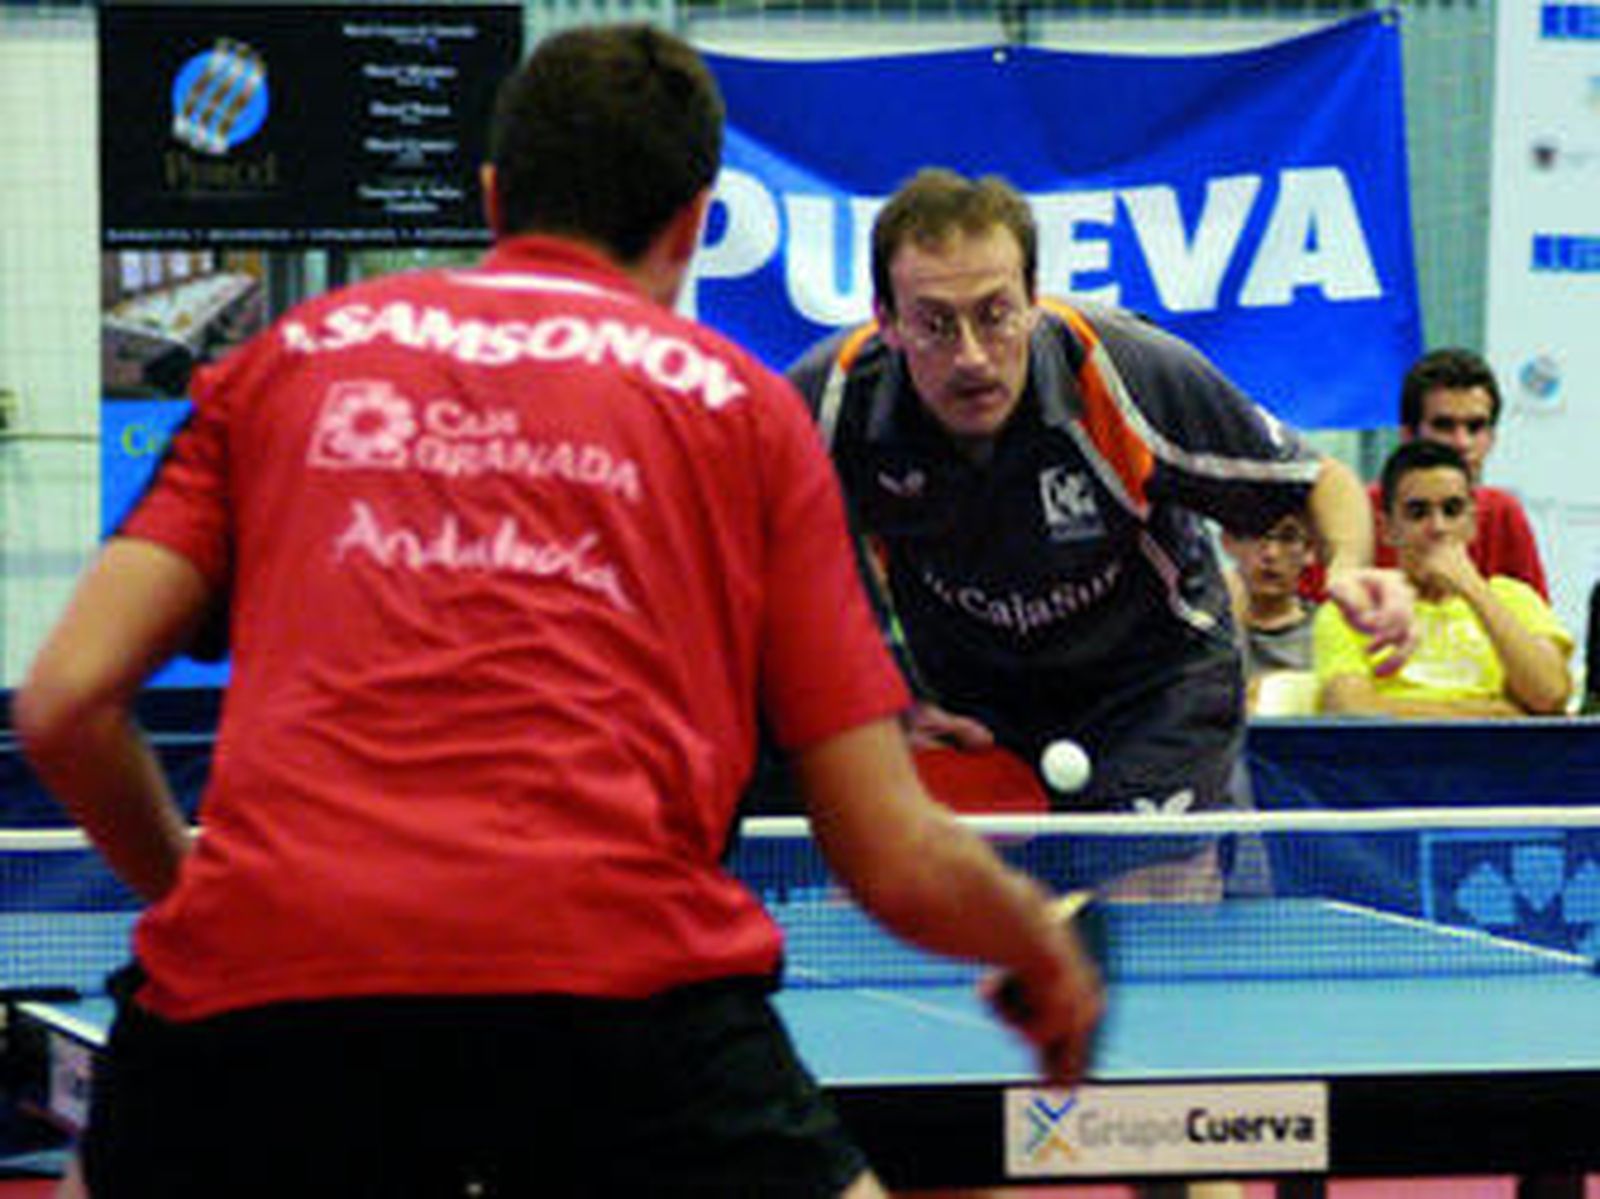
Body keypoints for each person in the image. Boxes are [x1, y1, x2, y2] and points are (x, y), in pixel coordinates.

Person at [15, 29, 1100, 1199]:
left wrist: (190, 888)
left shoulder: (286, 357)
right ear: (691, 223)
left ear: (492, 199)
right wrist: (1033, 940)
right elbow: (889, 852)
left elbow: (69, 702)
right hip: (623, 997)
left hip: (260, 985)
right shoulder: (743, 411)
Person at [787, 167, 1415, 899]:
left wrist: (1345, 569)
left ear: (1033, 300)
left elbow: (1317, 482)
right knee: (880, 917)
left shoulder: (1119, 373)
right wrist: (882, 695)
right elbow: (754, 559)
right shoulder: (832, 403)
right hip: (967, 700)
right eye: (934, 322)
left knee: (1151, 917)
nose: (972, 355)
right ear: (886, 320)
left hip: (1151, 686)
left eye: (995, 314)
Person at [1315, 440, 1571, 718]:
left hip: (1503, 758)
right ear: (1387, 529)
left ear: (1472, 522)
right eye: (1418, 513)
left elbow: (1549, 696)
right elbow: (1350, 710)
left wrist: (1472, 589)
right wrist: (1490, 715)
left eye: (1452, 510)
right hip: (1395, 757)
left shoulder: (1514, 597)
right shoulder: (1355, 609)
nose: (1438, 527)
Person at [1221, 510, 1320, 715]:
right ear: (1228, 542)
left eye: (1288, 538)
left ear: (1310, 549)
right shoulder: (1203, 630)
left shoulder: (1327, 630)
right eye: (1256, 535)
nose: (1271, 553)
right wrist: (1230, 623)